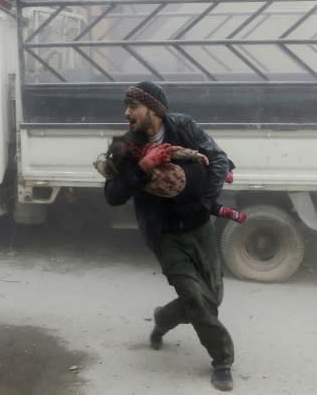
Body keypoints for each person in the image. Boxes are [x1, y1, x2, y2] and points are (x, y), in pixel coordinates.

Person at [102, 81, 236, 391]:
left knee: (211, 298)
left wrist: (205, 200)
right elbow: (112, 194)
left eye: (133, 106)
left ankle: (162, 319)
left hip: (199, 226)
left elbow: (218, 158)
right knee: (195, 298)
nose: (127, 113)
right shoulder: (127, 146)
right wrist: (143, 169)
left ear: (153, 108)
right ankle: (223, 360)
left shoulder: (184, 127)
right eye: (126, 107)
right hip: (164, 234)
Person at [94, 130, 247, 223]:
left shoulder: (134, 174)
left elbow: (112, 179)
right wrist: (195, 155)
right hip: (184, 178)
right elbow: (174, 151)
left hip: (175, 193)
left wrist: (101, 164)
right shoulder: (150, 153)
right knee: (204, 165)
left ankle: (222, 210)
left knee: (200, 202)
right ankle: (224, 175)